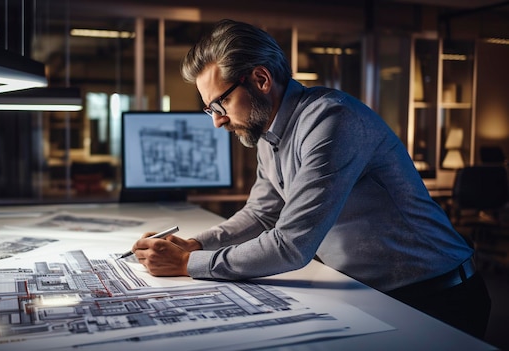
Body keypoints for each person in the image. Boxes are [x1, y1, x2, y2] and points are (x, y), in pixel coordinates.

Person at [129, 19, 491, 338]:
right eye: (210, 109)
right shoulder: (268, 132)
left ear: (260, 79)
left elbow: (291, 246)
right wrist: (194, 245)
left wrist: (187, 265)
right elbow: (260, 214)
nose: (217, 120)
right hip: (375, 293)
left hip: (438, 297)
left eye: (219, 105)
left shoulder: (331, 120)